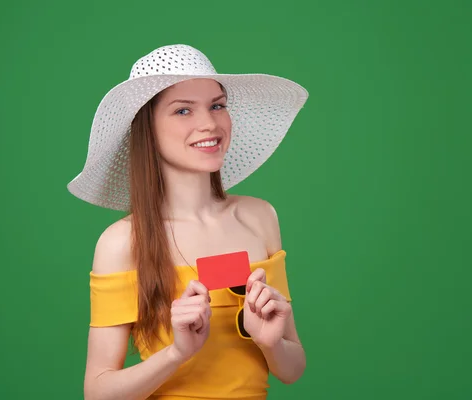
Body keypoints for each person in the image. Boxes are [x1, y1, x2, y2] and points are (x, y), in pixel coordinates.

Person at [67, 44, 309, 400]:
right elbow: (98, 392)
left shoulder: (261, 217)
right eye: (183, 110)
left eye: (217, 105)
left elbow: (292, 369)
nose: (209, 123)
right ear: (146, 128)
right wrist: (178, 353)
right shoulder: (121, 243)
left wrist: (271, 343)